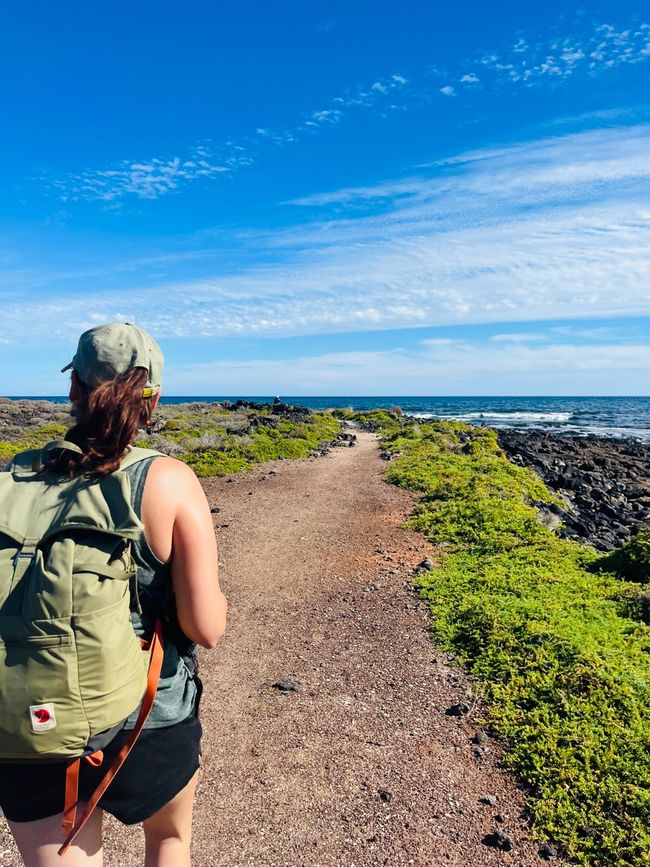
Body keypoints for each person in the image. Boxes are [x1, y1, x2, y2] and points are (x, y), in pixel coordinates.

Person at [0, 322, 228, 867]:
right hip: (149, 714)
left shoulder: (14, 475)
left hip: (28, 720)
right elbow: (206, 628)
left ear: (74, 387)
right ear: (154, 396)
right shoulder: (169, 480)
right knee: (169, 841)